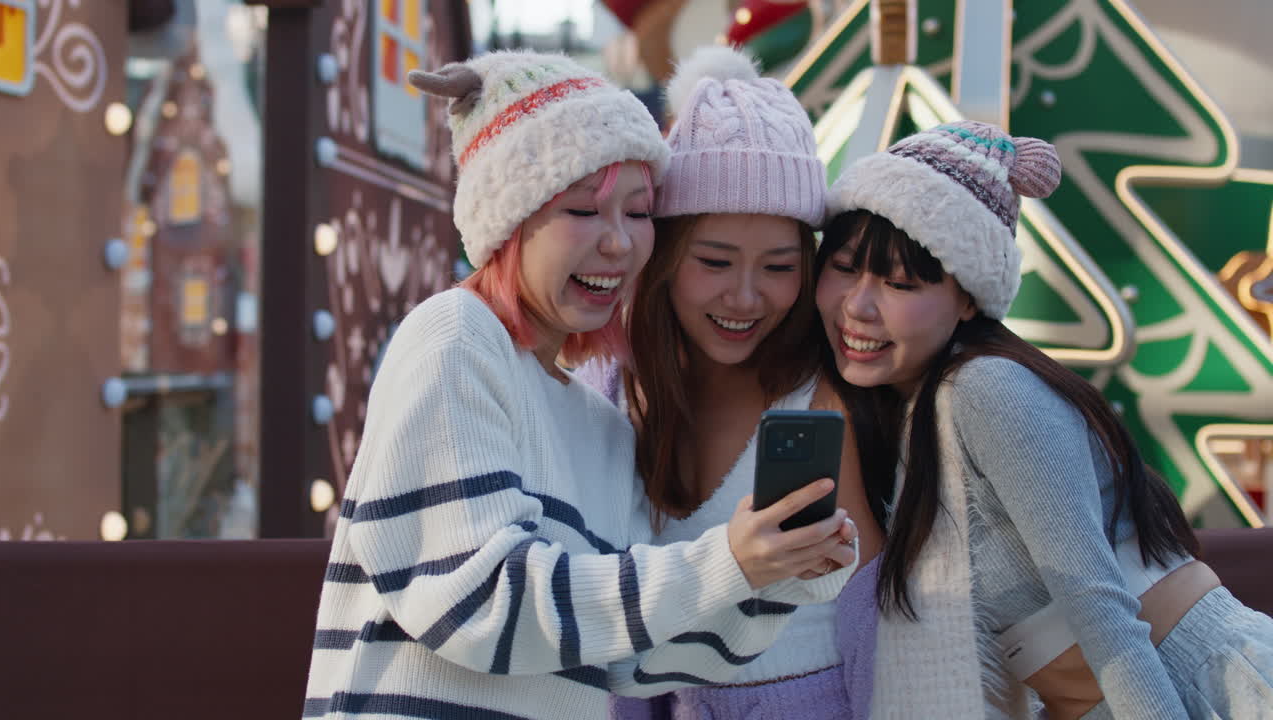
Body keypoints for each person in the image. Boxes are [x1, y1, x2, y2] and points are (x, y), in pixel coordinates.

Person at [302, 50, 858, 720]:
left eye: (638, 212)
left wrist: (779, 577)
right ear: (510, 215)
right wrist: (725, 562)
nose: (620, 244)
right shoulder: (455, 337)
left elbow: (629, 654)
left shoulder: (600, 423)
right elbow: (479, 605)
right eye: (583, 211)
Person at [815, 120, 1273, 719]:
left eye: (899, 283)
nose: (859, 306)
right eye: (844, 268)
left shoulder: (986, 387)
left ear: (969, 298)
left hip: (1197, 684)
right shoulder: (900, 412)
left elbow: (1101, 609)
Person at [587, 47, 885, 720]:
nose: (746, 297)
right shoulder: (612, 387)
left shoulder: (823, 390)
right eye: (715, 261)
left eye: (779, 266)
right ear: (664, 255)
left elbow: (874, 611)